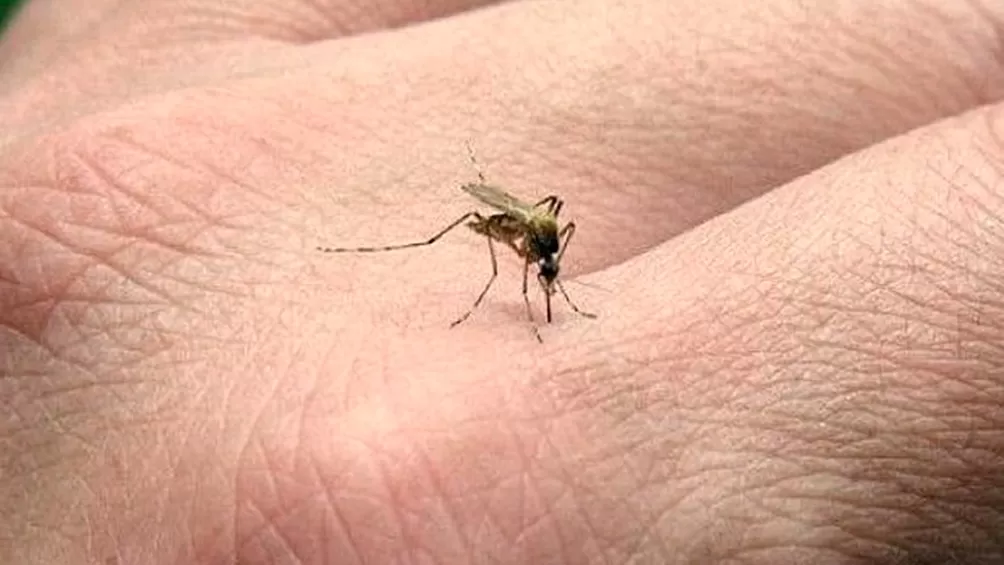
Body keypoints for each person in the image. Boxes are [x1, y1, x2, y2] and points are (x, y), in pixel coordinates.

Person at [2, 0, 1003, 563]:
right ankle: (429, 263)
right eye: (546, 267)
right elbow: (522, 226)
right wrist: (515, 269)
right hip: (501, 211)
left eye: (546, 267)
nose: (547, 271)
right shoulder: (518, 232)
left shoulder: (549, 243)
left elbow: (552, 244)